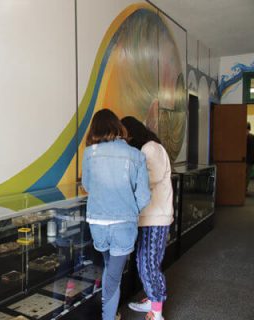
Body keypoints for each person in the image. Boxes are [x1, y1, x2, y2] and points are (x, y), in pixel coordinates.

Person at [82, 109, 151, 320]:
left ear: (95, 129)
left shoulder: (90, 153)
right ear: (117, 127)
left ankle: (111, 315)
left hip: (98, 224)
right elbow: (145, 196)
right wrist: (129, 209)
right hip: (123, 225)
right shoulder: (136, 155)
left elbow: (87, 185)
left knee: (110, 272)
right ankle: (109, 317)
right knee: (113, 276)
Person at [121, 116, 173, 320]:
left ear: (132, 132)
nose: (124, 140)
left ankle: (157, 312)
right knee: (146, 260)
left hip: (155, 216)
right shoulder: (147, 148)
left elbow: (149, 178)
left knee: (149, 263)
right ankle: (153, 300)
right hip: (149, 216)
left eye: (124, 135)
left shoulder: (150, 148)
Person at [246, 122, 254, 193]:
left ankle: (243, 190)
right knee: (246, 177)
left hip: (245, 160)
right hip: (248, 161)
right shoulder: (251, 137)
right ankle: (244, 190)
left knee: (245, 177)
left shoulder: (240, 137)